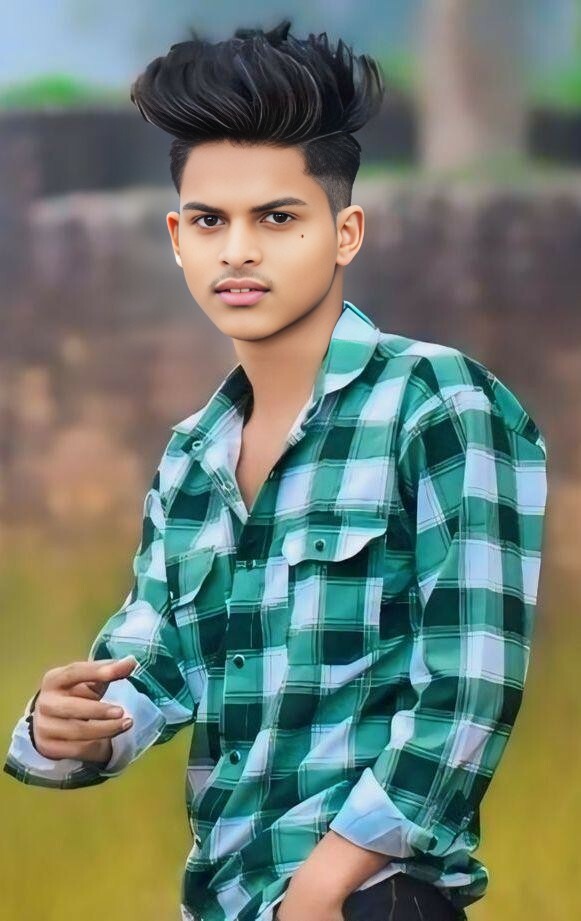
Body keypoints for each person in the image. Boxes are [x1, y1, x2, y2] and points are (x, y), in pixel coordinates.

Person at [4, 18, 548, 921]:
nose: (239, 250)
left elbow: (470, 684)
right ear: (177, 237)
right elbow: (157, 664)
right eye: (210, 221)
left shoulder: (436, 402)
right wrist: (67, 727)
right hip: (226, 896)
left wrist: (323, 883)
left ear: (344, 232)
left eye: (277, 217)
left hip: (368, 898)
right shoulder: (192, 456)